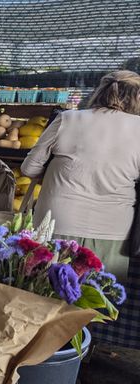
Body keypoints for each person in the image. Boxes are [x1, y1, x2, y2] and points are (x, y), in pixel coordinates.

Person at [21, 70, 140, 281]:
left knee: (43, 295)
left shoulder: (67, 119)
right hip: (113, 228)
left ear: (99, 91)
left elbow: (29, 169)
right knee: (97, 299)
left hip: (56, 221)